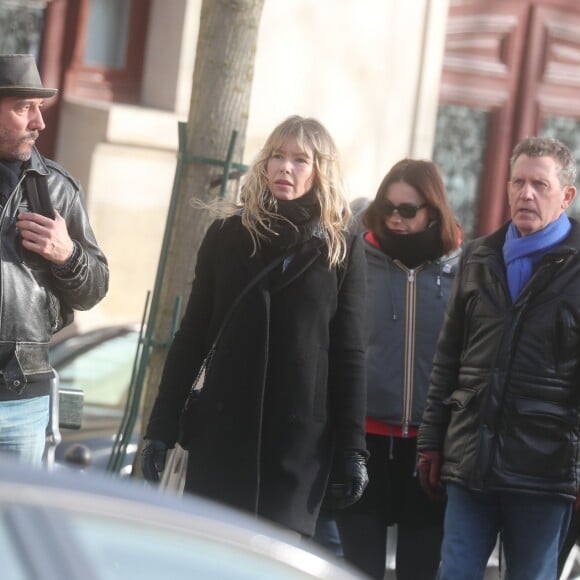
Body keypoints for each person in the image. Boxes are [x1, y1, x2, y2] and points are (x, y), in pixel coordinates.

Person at [142, 115, 369, 537]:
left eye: (301, 160)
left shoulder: (341, 246)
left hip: (298, 445)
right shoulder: (227, 235)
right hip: (223, 434)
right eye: (277, 156)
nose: (286, 168)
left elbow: (349, 354)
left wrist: (353, 450)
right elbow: (192, 336)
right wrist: (161, 427)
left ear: (322, 171)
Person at [417, 136, 580, 580]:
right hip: (471, 463)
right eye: (518, 182)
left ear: (566, 196)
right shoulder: (478, 256)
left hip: (544, 473)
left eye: (540, 185)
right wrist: (432, 440)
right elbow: (447, 358)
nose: (526, 194)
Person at [334, 159, 461, 579]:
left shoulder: (461, 270)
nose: (396, 218)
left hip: (429, 452)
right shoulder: (354, 258)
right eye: (389, 207)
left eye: (408, 210)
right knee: (359, 570)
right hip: (363, 442)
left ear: (433, 211)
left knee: (420, 572)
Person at [0, 53, 109, 465]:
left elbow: (95, 288)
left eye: (38, 108)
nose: (38, 122)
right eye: (22, 107)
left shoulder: (58, 191)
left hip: (22, 400)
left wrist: (68, 255)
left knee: (15, 525)